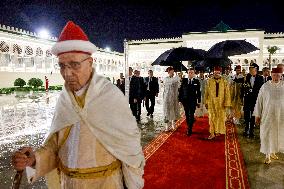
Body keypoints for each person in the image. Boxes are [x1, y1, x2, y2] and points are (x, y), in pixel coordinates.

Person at [12, 21, 144, 189]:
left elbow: (130, 149)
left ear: (90, 62)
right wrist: (34, 159)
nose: (67, 73)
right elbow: (55, 149)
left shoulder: (111, 97)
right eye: (62, 66)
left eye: (74, 64)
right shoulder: (64, 101)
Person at [253, 67, 284, 164]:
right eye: (274, 75)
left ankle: (273, 152)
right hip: (267, 116)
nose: (276, 77)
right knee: (267, 135)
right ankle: (267, 155)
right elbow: (259, 101)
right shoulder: (265, 86)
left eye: (278, 75)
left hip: (280, 116)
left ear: (281, 76)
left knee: (276, 134)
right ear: (271, 75)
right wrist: (257, 115)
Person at [204, 66, 231, 140]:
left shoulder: (224, 82)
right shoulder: (209, 81)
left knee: (220, 118)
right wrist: (206, 101)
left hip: (221, 103)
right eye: (215, 73)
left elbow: (227, 93)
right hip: (211, 103)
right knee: (212, 118)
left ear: (220, 73)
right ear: (213, 73)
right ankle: (212, 133)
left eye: (218, 73)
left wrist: (227, 103)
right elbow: (206, 92)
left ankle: (218, 131)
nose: (217, 74)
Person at [242, 63, 264, 138]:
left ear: (256, 69)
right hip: (247, 99)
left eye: (252, 69)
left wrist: (253, 91)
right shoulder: (246, 77)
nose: (250, 70)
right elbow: (243, 86)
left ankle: (251, 131)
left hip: (255, 99)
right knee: (246, 116)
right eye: (250, 69)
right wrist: (246, 90)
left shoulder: (260, 78)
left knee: (253, 116)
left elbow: (261, 89)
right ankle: (246, 129)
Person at [179, 68, 201, 136]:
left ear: (194, 74)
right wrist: (180, 100)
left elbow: (198, 92)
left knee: (191, 114)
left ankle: (189, 128)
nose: (190, 74)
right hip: (185, 101)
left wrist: (199, 101)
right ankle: (189, 125)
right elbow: (181, 91)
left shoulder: (196, 81)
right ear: (187, 73)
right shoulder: (184, 80)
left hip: (193, 101)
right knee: (187, 114)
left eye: (192, 73)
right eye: (189, 72)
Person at [163, 66, 180, 131]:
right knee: (166, 111)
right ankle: (167, 125)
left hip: (174, 98)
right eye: (172, 72)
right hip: (167, 98)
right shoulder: (166, 79)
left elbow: (178, 86)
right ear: (169, 72)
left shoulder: (175, 79)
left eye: (173, 72)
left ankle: (173, 124)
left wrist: (179, 80)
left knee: (174, 110)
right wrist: (178, 77)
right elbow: (171, 81)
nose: (173, 73)